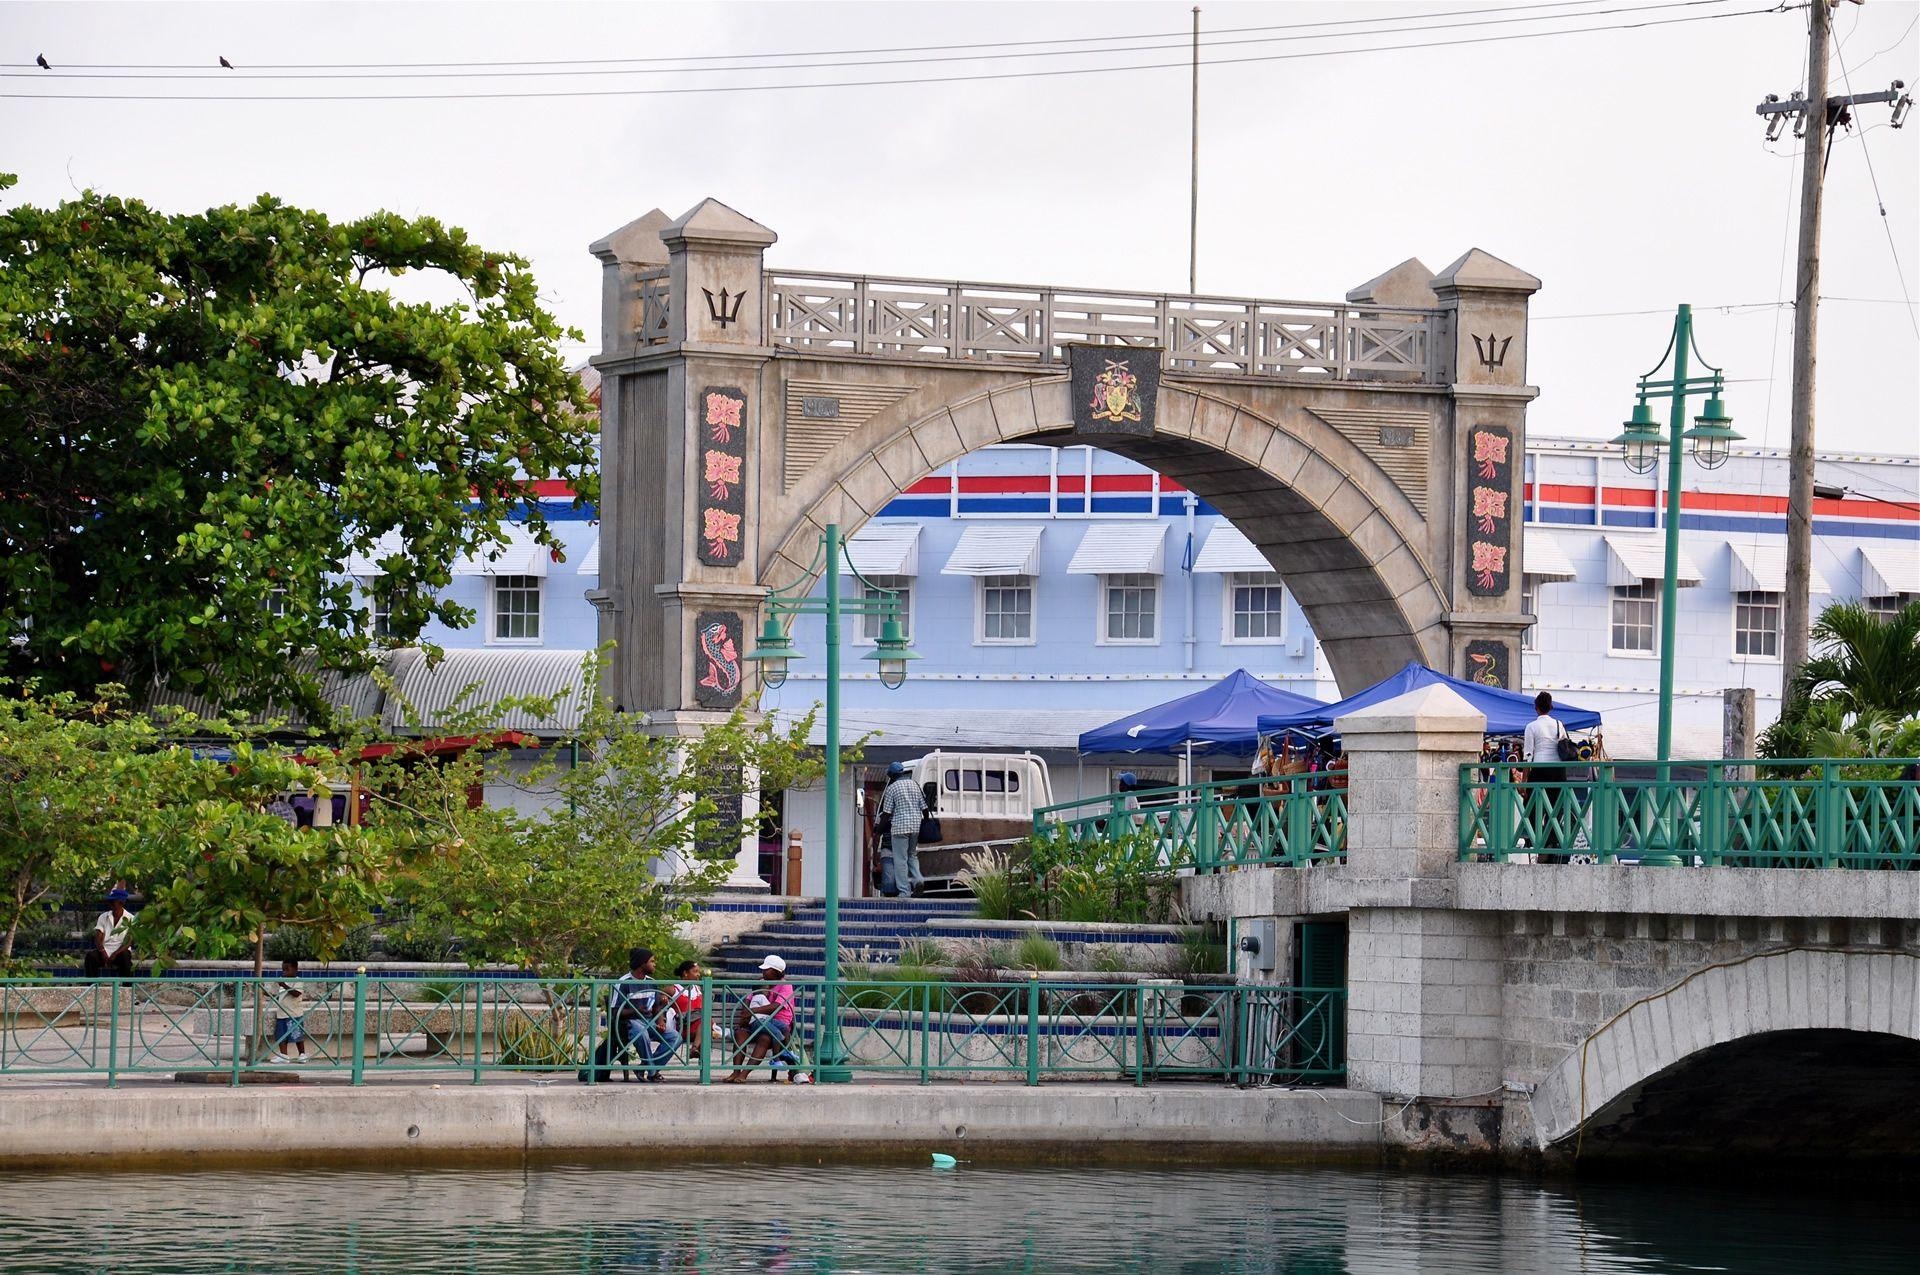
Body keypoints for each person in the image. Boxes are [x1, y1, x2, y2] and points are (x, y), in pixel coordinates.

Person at [724, 954, 797, 1083]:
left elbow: (776, 1006)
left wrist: (751, 1012)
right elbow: (748, 999)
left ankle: (744, 1074)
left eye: (766, 969)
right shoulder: (761, 983)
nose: (763, 972)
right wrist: (747, 1013)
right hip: (756, 1022)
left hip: (776, 1024)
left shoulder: (786, 986)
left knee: (765, 1038)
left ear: (776, 971)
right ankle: (736, 1072)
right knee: (740, 1034)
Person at [1522, 692, 1571, 864]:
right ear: (1551, 707)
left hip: (1539, 769)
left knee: (1531, 809)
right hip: (1558, 771)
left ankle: (1541, 842)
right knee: (1555, 809)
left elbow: (1528, 755)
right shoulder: (1559, 724)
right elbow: (1565, 745)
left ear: (1536, 707)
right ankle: (1551, 841)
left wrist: (1524, 781)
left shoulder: (1531, 727)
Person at [877, 761, 927, 898]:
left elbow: (886, 813)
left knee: (900, 860)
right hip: (915, 827)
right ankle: (919, 880)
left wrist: (879, 829)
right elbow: (925, 808)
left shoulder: (892, 788)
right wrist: (925, 823)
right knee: (912, 856)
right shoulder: (915, 785)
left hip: (899, 829)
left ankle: (904, 892)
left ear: (892, 775)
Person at [85, 886, 135, 978]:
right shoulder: (103, 917)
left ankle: (127, 989)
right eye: (110, 901)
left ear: (121, 903)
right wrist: (103, 953)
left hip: (120, 952)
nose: (110, 904)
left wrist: (115, 955)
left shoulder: (131, 918)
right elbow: (98, 938)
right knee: (90, 957)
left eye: (113, 901)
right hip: (105, 951)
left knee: (126, 957)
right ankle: (91, 987)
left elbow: (128, 942)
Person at [273, 959, 309, 1063]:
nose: (284, 972)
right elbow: (280, 996)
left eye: (287, 969)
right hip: (281, 1013)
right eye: (283, 970)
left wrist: (284, 985)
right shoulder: (282, 980)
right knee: (281, 1036)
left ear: (295, 969)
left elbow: (296, 993)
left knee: (297, 1035)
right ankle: (284, 1055)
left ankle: (302, 1054)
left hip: (294, 1014)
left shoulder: (298, 980)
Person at [668, 959, 707, 1056]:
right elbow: (657, 1000)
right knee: (706, 1023)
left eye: (699, 972)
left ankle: (695, 1049)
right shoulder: (673, 989)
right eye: (695, 971)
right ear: (685, 973)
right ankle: (694, 1049)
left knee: (706, 1023)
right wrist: (663, 999)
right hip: (682, 1027)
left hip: (698, 1027)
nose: (698, 974)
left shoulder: (698, 989)